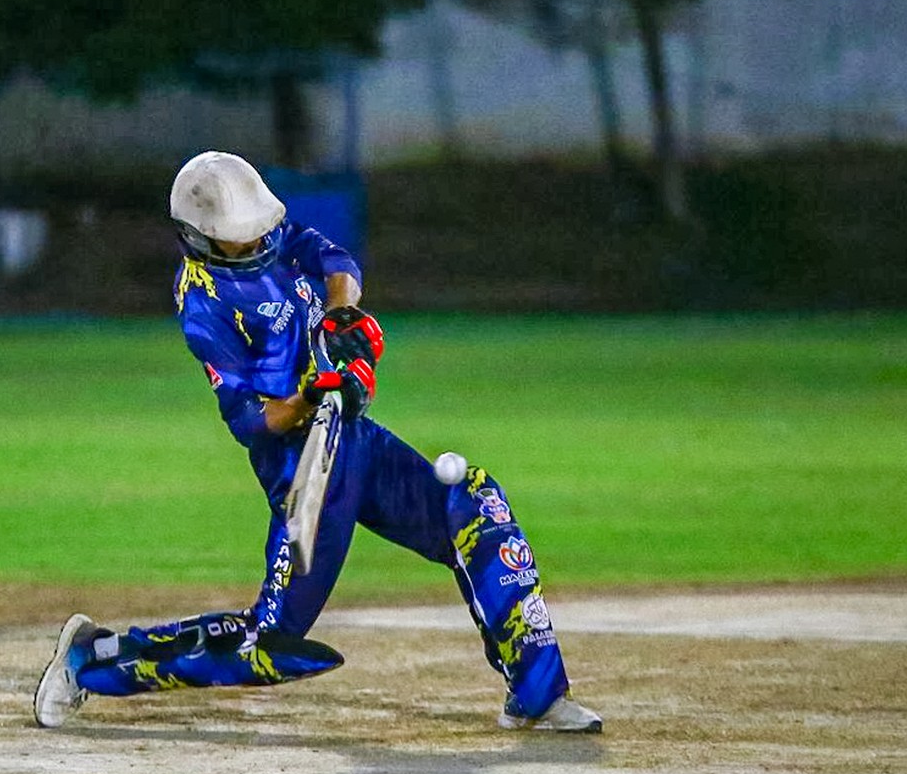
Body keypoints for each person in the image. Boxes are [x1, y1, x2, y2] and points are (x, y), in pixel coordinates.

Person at [33, 150, 602, 733]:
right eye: (239, 234)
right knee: (267, 645)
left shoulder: (275, 236)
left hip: (353, 437)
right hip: (302, 463)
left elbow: (337, 263)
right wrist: (310, 394)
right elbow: (251, 422)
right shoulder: (205, 304)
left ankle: (538, 694)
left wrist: (342, 319)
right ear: (199, 238)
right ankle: (92, 659)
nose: (256, 239)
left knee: (475, 508)